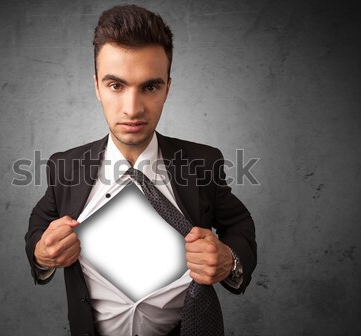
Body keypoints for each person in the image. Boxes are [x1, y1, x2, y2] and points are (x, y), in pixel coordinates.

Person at [25, 5, 256, 336]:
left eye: (149, 87)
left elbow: (238, 223)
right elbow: (38, 226)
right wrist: (42, 254)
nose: (132, 109)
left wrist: (229, 260)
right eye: (116, 85)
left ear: (167, 88)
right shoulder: (64, 167)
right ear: (96, 87)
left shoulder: (204, 163)